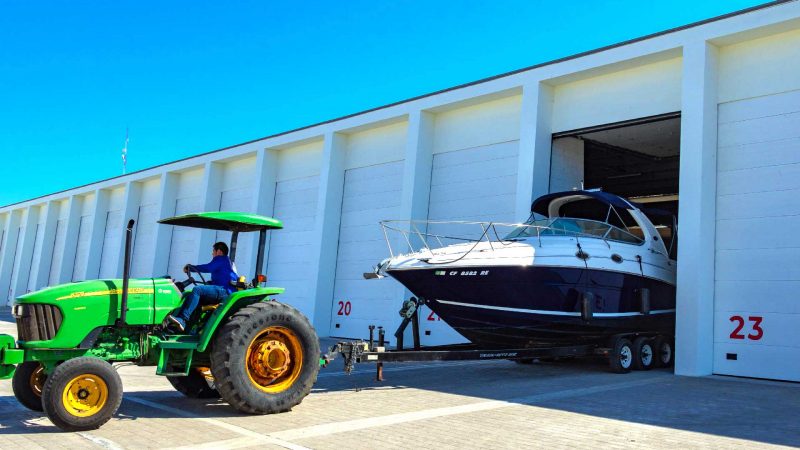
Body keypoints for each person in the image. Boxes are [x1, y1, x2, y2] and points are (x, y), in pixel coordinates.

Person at [167, 242, 238, 332]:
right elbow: (223, 276)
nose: (212, 253)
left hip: (224, 290)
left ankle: (183, 319)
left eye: (213, 251)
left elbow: (208, 268)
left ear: (219, 251)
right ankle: (185, 328)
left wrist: (191, 268)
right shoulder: (227, 262)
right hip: (223, 289)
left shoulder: (221, 259)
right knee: (192, 297)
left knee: (197, 290)